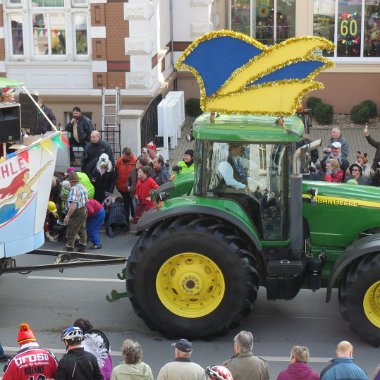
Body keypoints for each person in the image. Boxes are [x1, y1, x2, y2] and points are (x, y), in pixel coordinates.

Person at [64, 171, 88, 253]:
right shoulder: (82, 187)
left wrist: (67, 216)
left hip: (77, 212)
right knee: (82, 229)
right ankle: (82, 247)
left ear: (71, 181)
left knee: (72, 230)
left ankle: (69, 249)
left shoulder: (74, 189)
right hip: (84, 209)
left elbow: (73, 204)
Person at [115, 147, 137, 219]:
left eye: (129, 156)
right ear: (123, 154)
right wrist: (117, 183)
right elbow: (116, 173)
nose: (127, 157)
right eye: (126, 155)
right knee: (125, 203)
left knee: (132, 203)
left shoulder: (135, 160)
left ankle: (134, 218)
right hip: (122, 187)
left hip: (132, 187)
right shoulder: (119, 161)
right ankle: (126, 218)